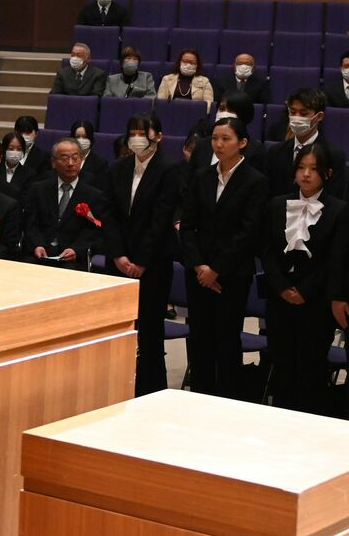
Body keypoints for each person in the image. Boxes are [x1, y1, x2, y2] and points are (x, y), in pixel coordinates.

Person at [179, 117, 269, 399]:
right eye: (215, 138)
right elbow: (188, 225)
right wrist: (199, 266)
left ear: (242, 143)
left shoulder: (255, 181)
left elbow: (247, 232)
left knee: (227, 341)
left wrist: (215, 269)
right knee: (200, 340)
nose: (218, 144)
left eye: (226, 139)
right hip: (198, 273)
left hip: (232, 275)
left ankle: (227, 400)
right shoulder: (201, 176)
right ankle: (199, 396)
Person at [261, 142, 347, 415]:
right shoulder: (277, 204)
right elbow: (267, 250)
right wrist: (282, 287)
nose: (306, 174)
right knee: (282, 364)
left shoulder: (339, 210)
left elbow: (334, 259)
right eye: (301, 168)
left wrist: (305, 291)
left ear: (327, 173)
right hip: (280, 298)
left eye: (313, 169)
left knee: (311, 368)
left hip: (315, 302)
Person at [103, 113, 181, 395]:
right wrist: (117, 255)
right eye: (132, 132)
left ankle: (150, 390)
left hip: (153, 264)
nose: (136, 138)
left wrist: (141, 261)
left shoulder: (169, 169)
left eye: (142, 132)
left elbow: (161, 219)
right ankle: (116, 386)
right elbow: (109, 214)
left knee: (149, 332)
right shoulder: (118, 168)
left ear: (157, 136)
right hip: (119, 262)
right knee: (117, 329)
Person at [21, 138, 109, 272]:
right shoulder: (38, 189)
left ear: (81, 160)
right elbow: (30, 223)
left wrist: (76, 250)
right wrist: (37, 245)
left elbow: (93, 231)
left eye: (75, 158)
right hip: (39, 253)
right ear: (54, 162)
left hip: (72, 257)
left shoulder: (94, 195)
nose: (70, 163)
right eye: (64, 158)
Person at [264, 88, 346, 199]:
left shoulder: (334, 155)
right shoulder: (275, 152)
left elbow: (335, 199)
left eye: (303, 113)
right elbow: (268, 193)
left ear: (319, 116)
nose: (297, 117)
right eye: (293, 112)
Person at [186, 91, 266, 177]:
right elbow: (191, 179)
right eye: (222, 109)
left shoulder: (255, 150)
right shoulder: (201, 145)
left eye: (231, 110)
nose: (225, 114)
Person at [0, 131, 37, 203]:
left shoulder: (30, 174)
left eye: (19, 149)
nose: (15, 152)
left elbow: (26, 198)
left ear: (23, 151)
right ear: (4, 150)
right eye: (11, 148)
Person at [70, 119, 108, 185]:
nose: (81, 140)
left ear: (91, 139)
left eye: (85, 137)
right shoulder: (65, 158)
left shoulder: (100, 163)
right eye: (77, 137)